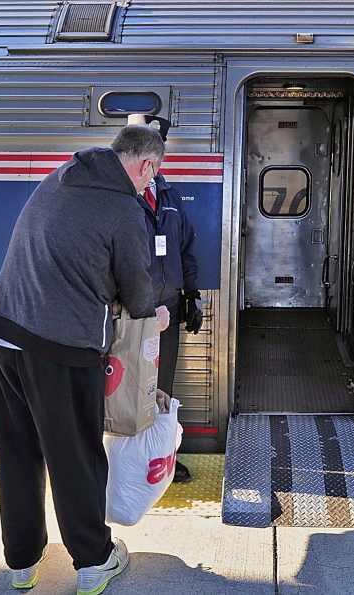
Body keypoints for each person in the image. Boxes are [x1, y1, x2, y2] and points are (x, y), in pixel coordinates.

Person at [0, 124, 167, 595]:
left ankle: (22, 562)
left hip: (4, 332)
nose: (151, 184)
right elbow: (138, 292)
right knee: (76, 454)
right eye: (154, 174)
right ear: (145, 164)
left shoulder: (59, 176)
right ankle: (93, 560)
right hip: (60, 347)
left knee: (18, 452)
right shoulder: (124, 208)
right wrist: (155, 317)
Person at [138, 160, 203, 483]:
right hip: (134, 313)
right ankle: (130, 458)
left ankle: (162, 458)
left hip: (170, 305)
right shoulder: (124, 197)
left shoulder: (170, 196)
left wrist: (192, 294)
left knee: (163, 387)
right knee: (129, 388)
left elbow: (185, 247)